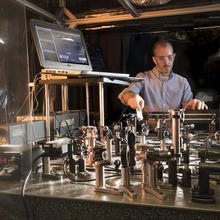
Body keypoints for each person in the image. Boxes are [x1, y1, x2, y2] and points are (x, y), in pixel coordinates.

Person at [118, 39, 208, 113]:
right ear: (154, 59)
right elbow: (125, 94)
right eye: (161, 58)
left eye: (169, 57)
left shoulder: (183, 82)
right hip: (148, 133)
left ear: (174, 57)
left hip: (176, 132)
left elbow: (188, 109)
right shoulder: (143, 78)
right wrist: (131, 96)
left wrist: (194, 105)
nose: (166, 62)